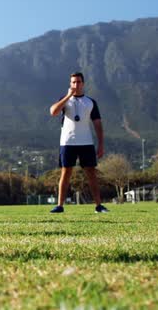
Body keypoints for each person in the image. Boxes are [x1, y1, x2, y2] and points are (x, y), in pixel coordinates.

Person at [49, 72, 109, 214]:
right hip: (67, 142)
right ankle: (60, 205)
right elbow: (53, 112)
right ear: (70, 84)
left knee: (91, 173)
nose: (76, 85)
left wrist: (101, 144)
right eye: (73, 82)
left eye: (79, 82)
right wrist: (68, 96)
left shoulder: (90, 102)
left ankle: (99, 206)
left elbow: (98, 124)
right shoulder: (64, 100)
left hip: (86, 142)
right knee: (66, 172)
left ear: (83, 84)